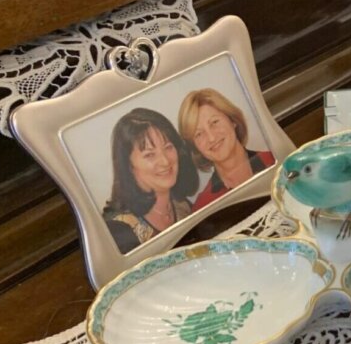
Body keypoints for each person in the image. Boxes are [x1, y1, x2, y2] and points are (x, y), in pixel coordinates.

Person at [103, 108, 199, 254]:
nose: (165, 161)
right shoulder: (118, 231)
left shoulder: (182, 205)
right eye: (149, 155)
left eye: (168, 147)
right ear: (128, 165)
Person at [178, 88, 274, 211]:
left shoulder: (275, 160)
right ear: (195, 147)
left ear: (232, 120)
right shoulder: (204, 206)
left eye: (214, 122)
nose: (211, 138)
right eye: (199, 134)